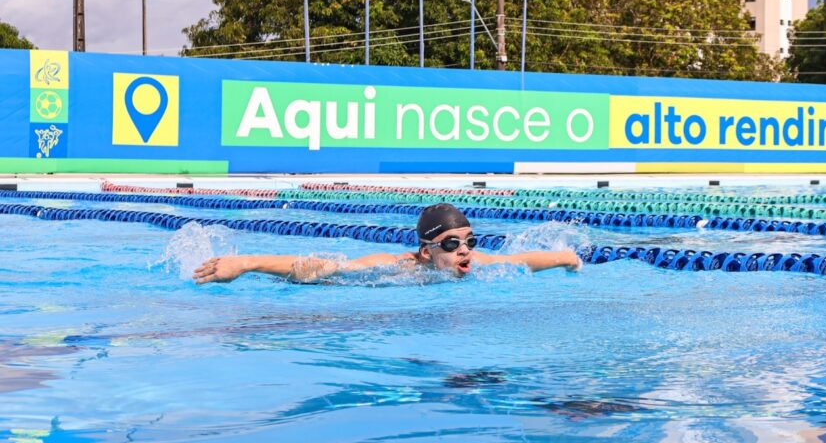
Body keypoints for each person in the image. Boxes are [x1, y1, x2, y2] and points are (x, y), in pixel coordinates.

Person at [193, 202, 582, 284]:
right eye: (451, 244)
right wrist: (246, 263)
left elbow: (519, 260)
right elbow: (329, 266)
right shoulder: (399, 267)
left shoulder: (474, 263)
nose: (464, 250)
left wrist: (564, 257)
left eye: (469, 241)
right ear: (427, 251)